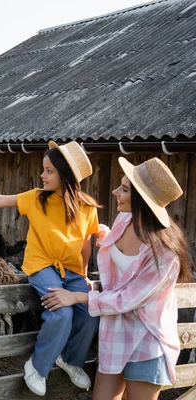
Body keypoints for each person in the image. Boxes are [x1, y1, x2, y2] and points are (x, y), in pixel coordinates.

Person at [0, 140, 100, 396]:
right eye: (44, 169)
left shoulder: (87, 207)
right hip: (42, 265)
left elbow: (85, 244)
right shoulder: (37, 198)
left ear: (66, 175)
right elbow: (1, 200)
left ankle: (72, 360)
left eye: (49, 170)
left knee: (91, 311)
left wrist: (83, 275)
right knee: (61, 314)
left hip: (72, 271)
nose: (42, 175)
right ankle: (37, 367)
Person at [42, 157, 192, 400]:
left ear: (143, 200)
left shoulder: (165, 255)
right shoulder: (124, 220)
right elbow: (118, 256)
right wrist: (101, 235)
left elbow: (128, 299)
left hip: (147, 339)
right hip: (116, 332)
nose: (115, 192)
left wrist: (78, 296)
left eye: (124, 189)